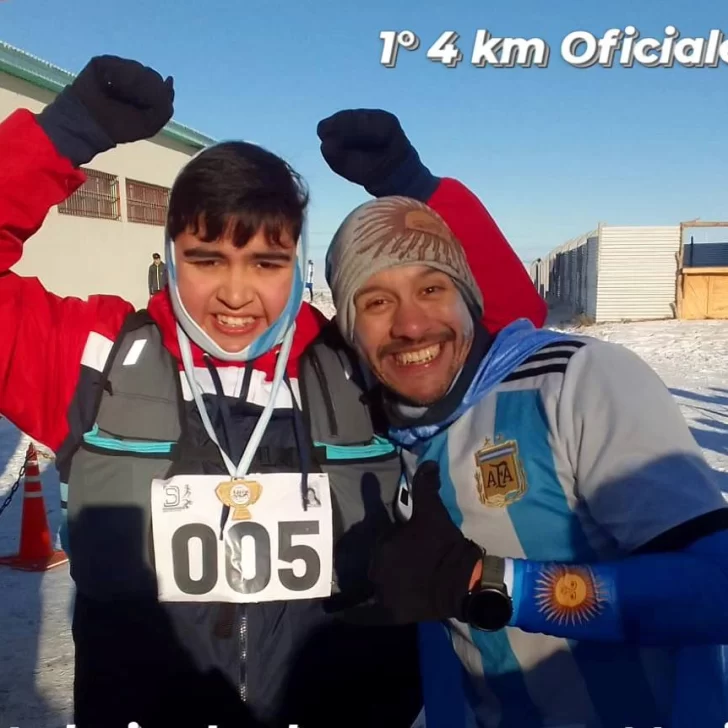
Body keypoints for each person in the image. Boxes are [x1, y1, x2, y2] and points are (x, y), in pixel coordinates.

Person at [0, 56, 545, 727]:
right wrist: (65, 134)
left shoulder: (360, 360)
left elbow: (509, 332)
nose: (235, 293)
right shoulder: (92, 356)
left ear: (298, 263)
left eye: (266, 261)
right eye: (207, 259)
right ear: (171, 257)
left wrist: (414, 188)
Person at [324, 194, 728, 728]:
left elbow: (716, 589)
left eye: (431, 288)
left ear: (467, 296)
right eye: (375, 302)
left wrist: (488, 584)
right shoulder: (386, 430)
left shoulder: (578, 381)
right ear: (351, 330)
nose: (412, 326)